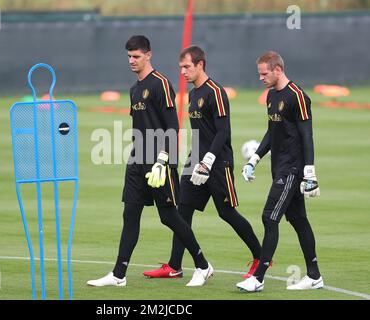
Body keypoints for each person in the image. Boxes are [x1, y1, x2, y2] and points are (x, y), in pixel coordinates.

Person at [87, 35, 213, 287]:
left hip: (161, 160)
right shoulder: (134, 89)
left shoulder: (161, 84)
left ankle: (203, 265)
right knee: (130, 213)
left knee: (168, 217)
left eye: (136, 56)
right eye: (129, 57)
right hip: (138, 158)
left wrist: (162, 159)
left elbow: (172, 125)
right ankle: (118, 274)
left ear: (148, 55)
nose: (132, 61)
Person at [143, 46, 262, 280]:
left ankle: (260, 258)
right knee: (182, 213)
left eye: (187, 67)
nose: (183, 72)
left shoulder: (216, 92)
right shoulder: (192, 94)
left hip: (217, 163)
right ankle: (175, 265)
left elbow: (222, 132)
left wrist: (207, 161)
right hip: (194, 163)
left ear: (200, 65)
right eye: (180, 68)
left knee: (226, 213)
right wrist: (196, 160)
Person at [236, 51, 323, 292]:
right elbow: (271, 131)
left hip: (293, 169)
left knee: (269, 217)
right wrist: (254, 159)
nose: (261, 78)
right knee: (297, 219)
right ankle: (314, 276)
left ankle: (258, 277)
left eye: (264, 73)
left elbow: (307, 136)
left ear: (278, 70)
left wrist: (310, 173)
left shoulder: (298, 97)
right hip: (279, 167)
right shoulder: (271, 96)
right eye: (259, 74)